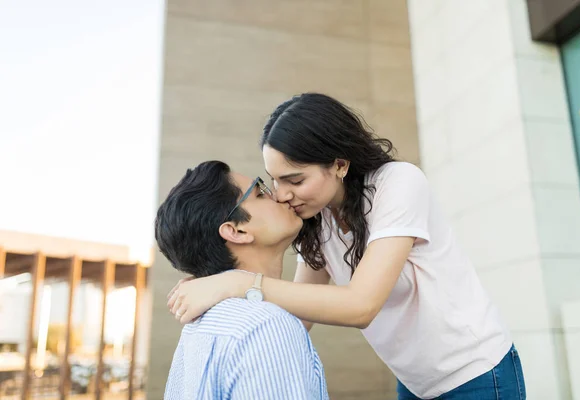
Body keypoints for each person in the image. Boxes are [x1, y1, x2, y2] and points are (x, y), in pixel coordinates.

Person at [167, 93, 527, 400]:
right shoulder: (316, 216)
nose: (282, 194)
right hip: (415, 380)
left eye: (295, 179)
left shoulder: (397, 184)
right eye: (274, 181)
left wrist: (237, 284)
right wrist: (217, 299)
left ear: (339, 164)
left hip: (476, 372)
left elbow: (361, 305)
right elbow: (300, 312)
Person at [156, 160, 329, 400]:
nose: (278, 195)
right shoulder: (268, 326)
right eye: (260, 192)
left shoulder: (199, 325)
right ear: (237, 231)